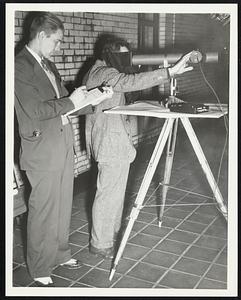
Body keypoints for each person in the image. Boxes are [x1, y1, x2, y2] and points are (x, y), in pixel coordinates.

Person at [14, 12, 112, 287]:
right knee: (43, 208)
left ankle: (59, 254)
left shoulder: (46, 64)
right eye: (56, 41)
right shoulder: (19, 66)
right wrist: (71, 101)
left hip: (61, 140)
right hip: (41, 146)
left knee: (62, 204)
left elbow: (60, 101)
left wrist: (92, 98)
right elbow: (35, 109)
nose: (59, 47)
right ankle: (38, 266)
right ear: (42, 35)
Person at [83, 35, 194, 259]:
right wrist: (169, 72)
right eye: (122, 56)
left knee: (115, 193)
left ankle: (110, 233)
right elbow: (128, 82)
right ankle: (100, 243)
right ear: (109, 54)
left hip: (117, 144)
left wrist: (161, 102)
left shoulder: (108, 72)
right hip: (110, 143)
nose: (126, 61)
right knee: (107, 194)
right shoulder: (101, 72)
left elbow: (127, 96)